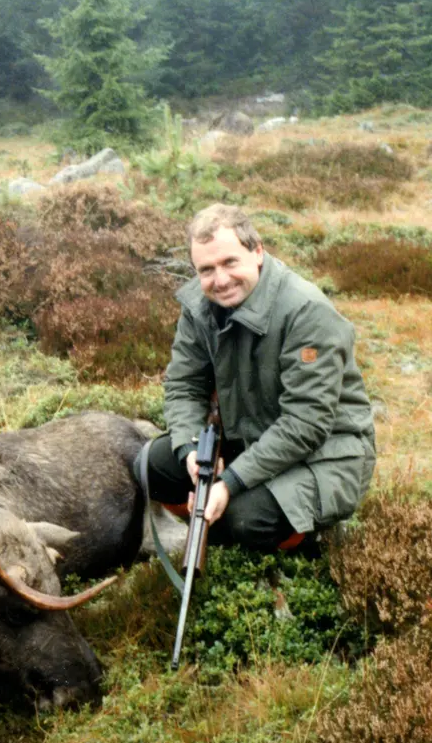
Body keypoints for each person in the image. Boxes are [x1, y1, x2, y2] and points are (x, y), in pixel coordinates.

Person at [137, 203, 375, 552]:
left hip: (324, 454)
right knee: (151, 465)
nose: (220, 280)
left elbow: (307, 423)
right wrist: (191, 450)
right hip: (247, 437)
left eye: (230, 262)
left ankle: (311, 541)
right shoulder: (199, 308)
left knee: (245, 519)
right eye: (206, 269)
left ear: (257, 252)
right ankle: (216, 531)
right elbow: (184, 386)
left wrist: (230, 482)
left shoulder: (307, 312)